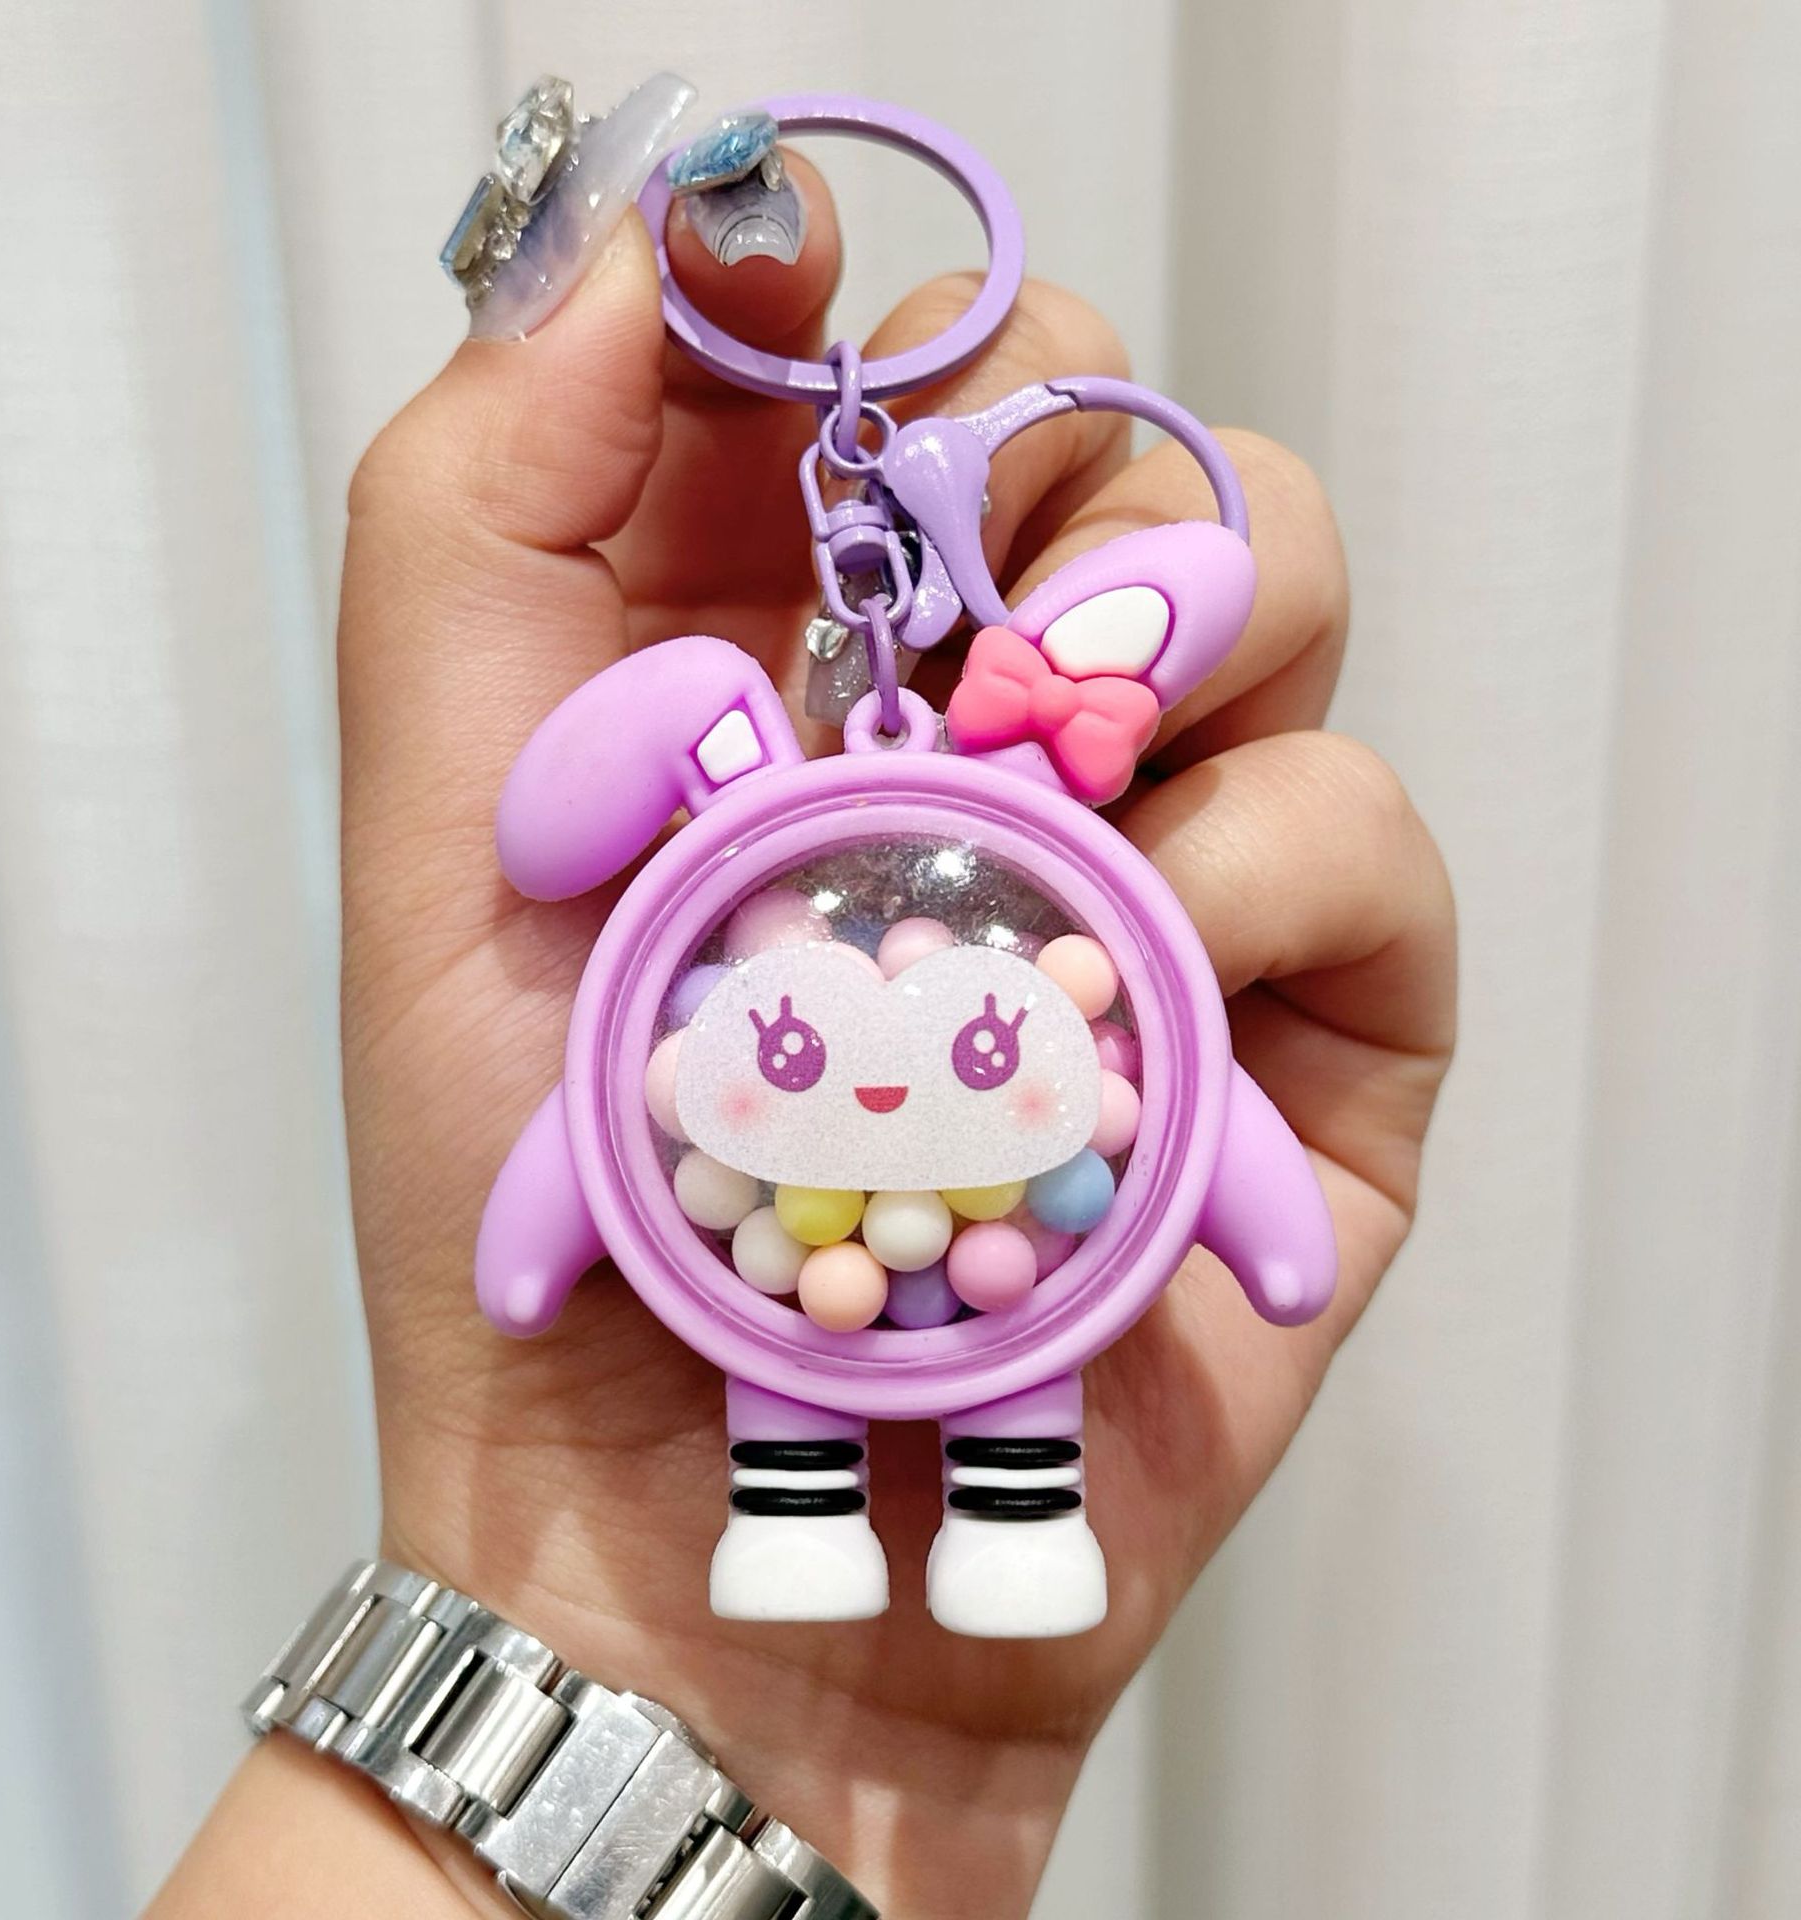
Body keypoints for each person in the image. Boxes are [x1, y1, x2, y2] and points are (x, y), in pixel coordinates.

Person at [149, 147, 1455, 1919]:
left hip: (953, 1279)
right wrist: (548, 1498)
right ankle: (806, 1524)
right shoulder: (701, 1025)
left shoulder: (991, 1010)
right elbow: (596, 1141)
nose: (890, 1069)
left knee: (979, 1373)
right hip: (793, 1278)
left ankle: (998, 1524)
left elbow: (1200, 1124)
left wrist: (1266, 1227)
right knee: (814, 1354)